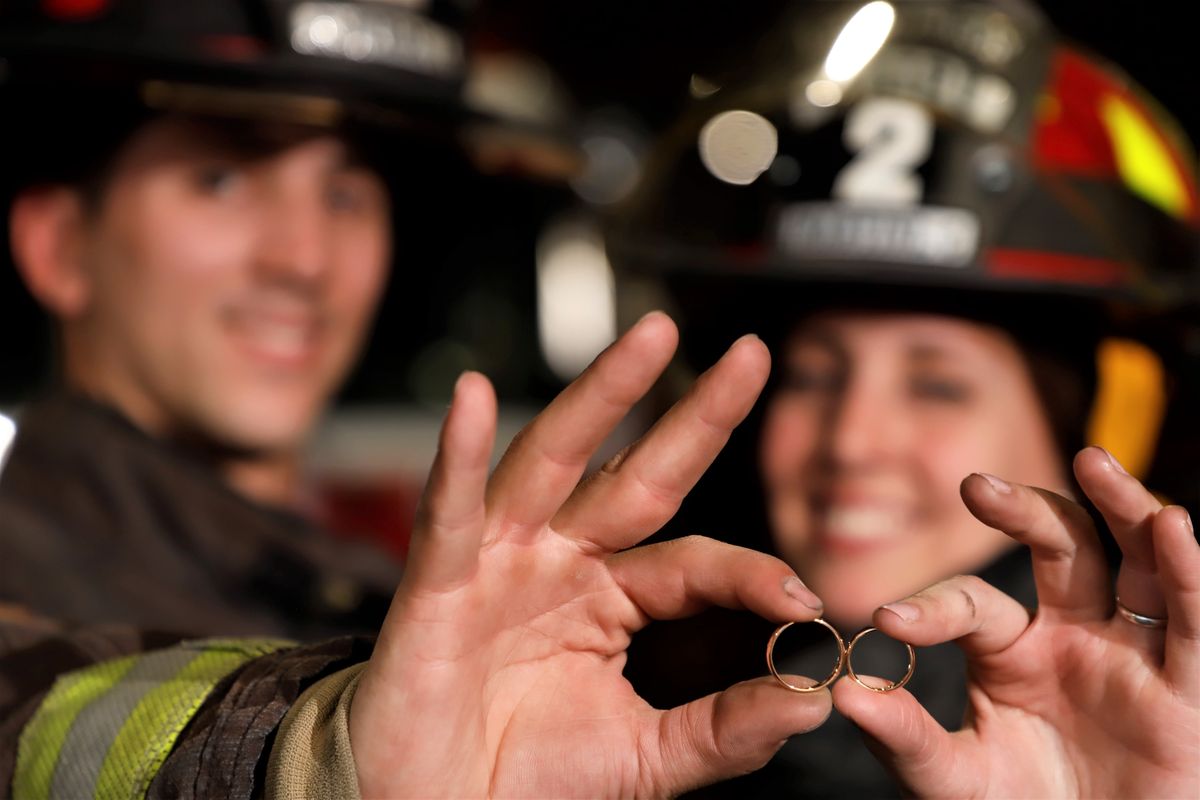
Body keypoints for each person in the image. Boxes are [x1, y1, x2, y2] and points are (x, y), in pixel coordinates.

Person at [1, 1, 1196, 798]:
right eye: (221, 177)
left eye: (350, 193)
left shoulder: (500, 647)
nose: (304, 258)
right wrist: (315, 749)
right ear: (55, 242)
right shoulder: (539, 681)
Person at [608, 0, 1200, 796]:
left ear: (1108, 429)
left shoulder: (1166, 756)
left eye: (936, 385)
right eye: (814, 376)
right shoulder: (640, 712)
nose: (851, 441)